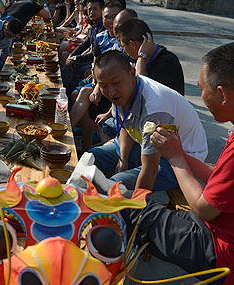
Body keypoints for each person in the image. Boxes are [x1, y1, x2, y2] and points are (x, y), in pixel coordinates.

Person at [122, 42, 234, 285]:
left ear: (222, 94)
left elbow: (204, 210)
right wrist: (180, 153)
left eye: (201, 89)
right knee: (138, 204)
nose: (200, 96)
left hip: (222, 253)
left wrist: (175, 157)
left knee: (127, 206)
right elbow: (219, 178)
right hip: (220, 227)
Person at [89, 50, 208, 191]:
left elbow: (150, 169)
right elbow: (127, 125)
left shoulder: (155, 107)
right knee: (90, 158)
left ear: (132, 73)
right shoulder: (123, 91)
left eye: (116, 83)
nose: (111, 92)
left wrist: (138, 202)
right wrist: (123, 159)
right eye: (103, 86)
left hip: (180, 161)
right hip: (146, 146)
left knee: (115, 186)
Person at [115, 18, 185, 95]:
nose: (124, 51)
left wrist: (141, 57)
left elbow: (141, 89)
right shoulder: (135, 57)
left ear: (133, 45)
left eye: (123, 46)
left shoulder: (168, 62)